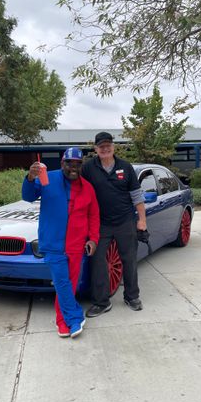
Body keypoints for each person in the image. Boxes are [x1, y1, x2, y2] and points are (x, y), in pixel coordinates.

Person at [22, 147, 100, 338]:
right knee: (61, 282)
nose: (73, 167)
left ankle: (61, 320)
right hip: (53, 243)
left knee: (70, 284)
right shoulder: (47, 178)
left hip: (76, 244)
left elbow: (94, 216)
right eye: (69, 163)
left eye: (77, 164)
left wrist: (93, 239)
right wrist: (31, 177)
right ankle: (73, 318)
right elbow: (28, 196)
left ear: (81, 166)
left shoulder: (88, 187)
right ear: (62, 163)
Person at [82, 131, 147, 317]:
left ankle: (132, 297)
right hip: (100, 223)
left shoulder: (125, 167)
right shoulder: (88, 168)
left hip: (125, 221)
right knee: (97, 260)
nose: (105, 148)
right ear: (95, 149)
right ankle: (102, 302)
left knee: (129, 259)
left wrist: (142, 220)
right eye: (101, 146)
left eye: (108, 145)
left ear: (113, 146)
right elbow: (79, 190)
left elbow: (136, 196)